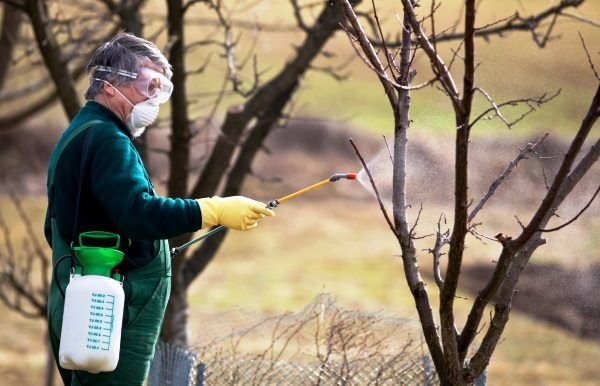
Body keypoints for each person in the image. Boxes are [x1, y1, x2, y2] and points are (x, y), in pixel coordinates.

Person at [44, 33, 274, 386]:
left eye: (161, 89)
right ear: (109, 86)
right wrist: (211, 210)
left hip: (83, 302)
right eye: (148, 86)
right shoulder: (107, 140)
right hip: (108, 311)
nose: (154, 100)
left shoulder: (81, 132)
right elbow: (138, 213)